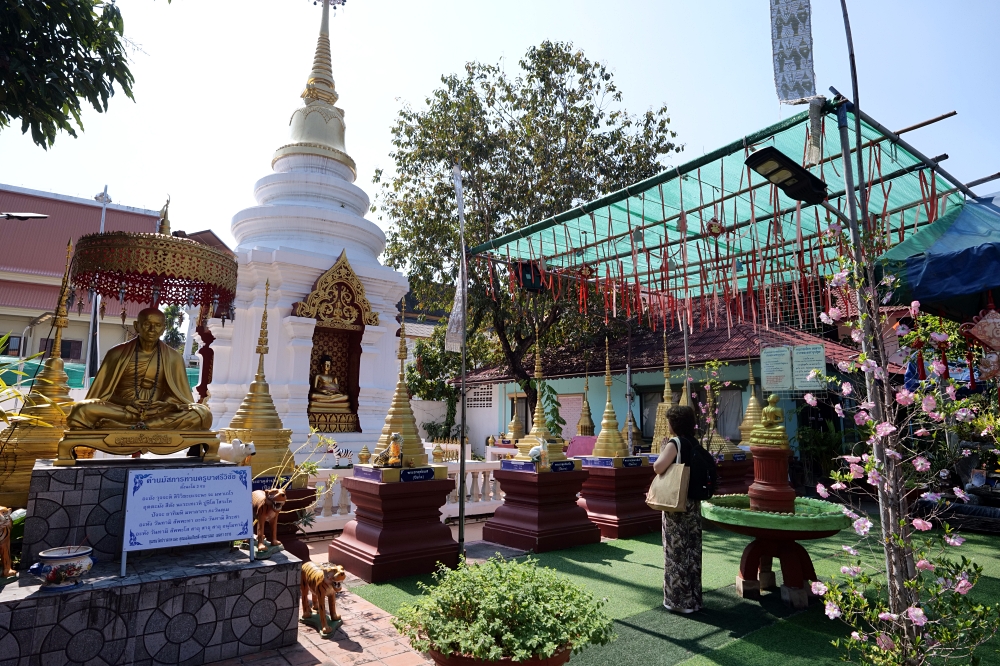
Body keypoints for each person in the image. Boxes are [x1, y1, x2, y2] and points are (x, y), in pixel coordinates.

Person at [67, 308, 212, 430]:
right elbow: (102, 394)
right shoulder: (117, 353)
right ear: (137, 326)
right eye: (147, 324)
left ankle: (137, 426)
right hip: (122, 410)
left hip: (156, 413)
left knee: (203, 413)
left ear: (163, 329)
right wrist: (128, 403)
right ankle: (141, 425)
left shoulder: (173, 357)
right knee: (80, 410)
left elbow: (181, 397)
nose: (152, 330)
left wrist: (163, 405)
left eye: (157, 325)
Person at [652, 405, 703, 613]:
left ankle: (678, 601)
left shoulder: (675, 443)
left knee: (676, 551)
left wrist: (664, 448)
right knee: (692, 549)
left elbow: (658, 467)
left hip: (676, 501)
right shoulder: (694, 442)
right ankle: (694, 599)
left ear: (674, 424)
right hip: (692, 502)